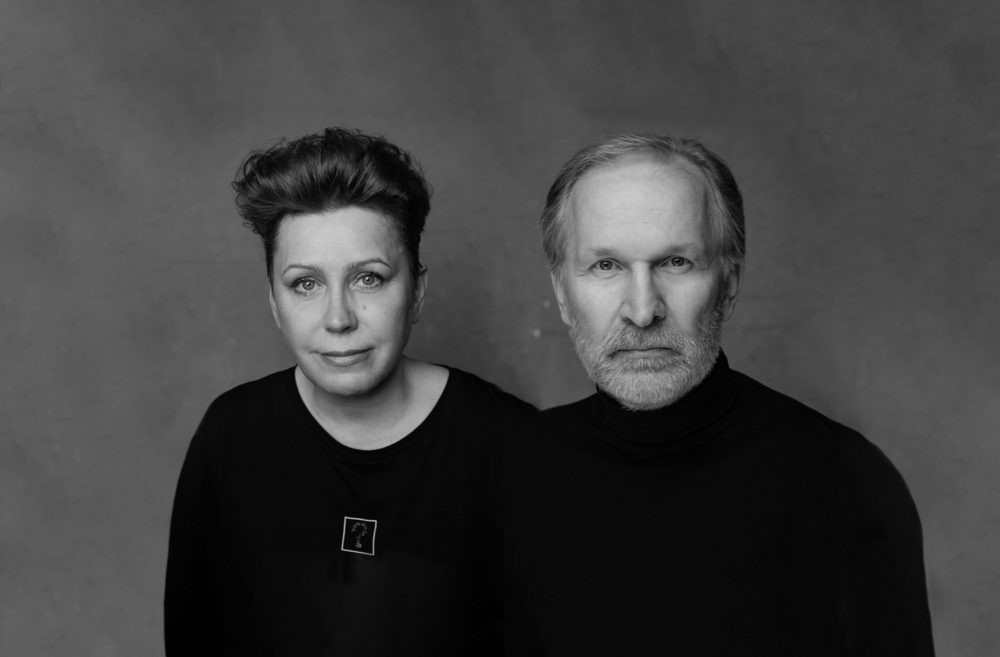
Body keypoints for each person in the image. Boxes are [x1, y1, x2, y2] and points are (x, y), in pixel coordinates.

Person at [496, 134, 935, 655]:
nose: (642, 311)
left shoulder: (847, 480)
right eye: (606, 266)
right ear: (563, 296)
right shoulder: (505, 474)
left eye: (676, 263)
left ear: (728, 285)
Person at [164, 127, 535, 656]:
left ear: (417, 292)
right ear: (274, 303)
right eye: (305, 284)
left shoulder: (513, 445)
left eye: (368, 278)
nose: (338, 318)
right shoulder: (232, 435)